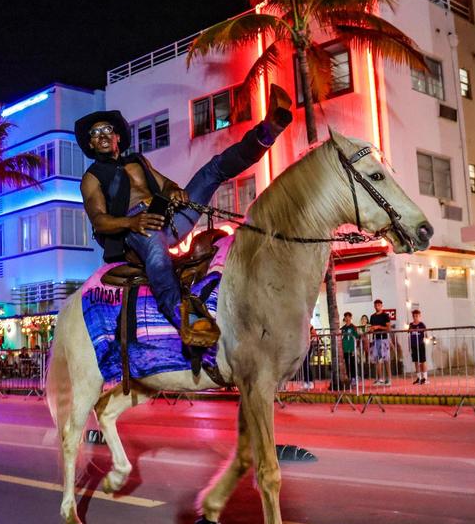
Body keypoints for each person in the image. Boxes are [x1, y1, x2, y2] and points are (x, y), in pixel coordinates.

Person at [77, 87, 293, 347]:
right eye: (95, 133)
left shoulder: (137, 160)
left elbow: (166, 184)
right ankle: (189, 322)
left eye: (107, 130)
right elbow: (99, 219)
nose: (102, 135)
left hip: (167, 216)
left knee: (211, 171)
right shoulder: (92, 177)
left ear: (118, 138)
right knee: (158, 257)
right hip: (134, 229)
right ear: (90, 144)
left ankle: (265, 134)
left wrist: (175, 191)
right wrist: (132, 222)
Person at [367, 300, 392, 386]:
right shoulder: (372, 316)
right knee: (377, 360)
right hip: (375, 339)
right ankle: (380, 379)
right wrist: (371, 330)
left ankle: (389, 379)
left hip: (383, 339)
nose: (377, 306)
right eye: (376, 305)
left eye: (379, 305)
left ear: (381, 305)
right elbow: (371, 328)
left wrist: (379, 327)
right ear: (374, 306)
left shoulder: (385, 315)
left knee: (386, 360)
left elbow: (389, 328)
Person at [407, 309, 428, 385]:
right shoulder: (411, 325)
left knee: (422, 361)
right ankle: (418, 378)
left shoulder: (422, 324)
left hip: (421, 344)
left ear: (419, 316)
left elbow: (426, 334)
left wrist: (426, 339)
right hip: (413, 345)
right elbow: (408, 333)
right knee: (416, 362)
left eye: (417, 316)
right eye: (414, 316)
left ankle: (425, 378)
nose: (415, 317)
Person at [340, 312, 360, 389]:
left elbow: (357, 337)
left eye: (349, 317)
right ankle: (349, 378)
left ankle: (354, 378)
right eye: (346, 317)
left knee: (352, 363)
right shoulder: (343, 328)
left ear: (351, 318)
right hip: (345, 349)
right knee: (347, 364)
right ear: (344, 318)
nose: (347, 318)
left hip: (352, 349)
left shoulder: (353, 327)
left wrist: (355, 348)